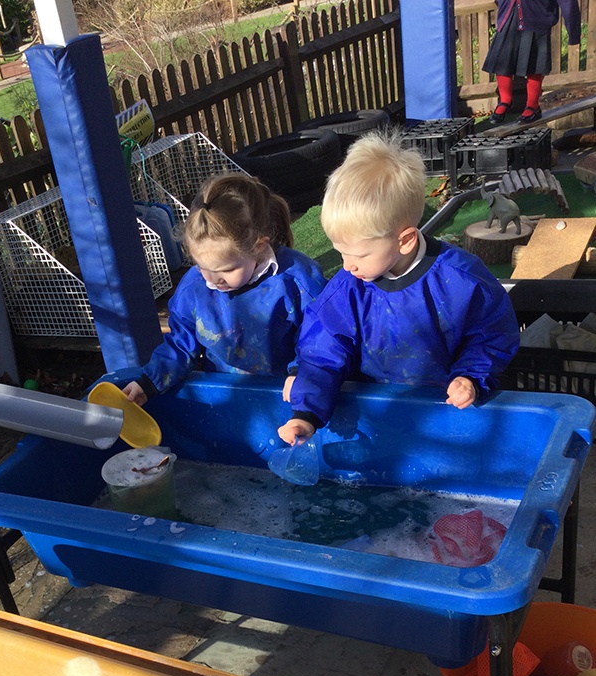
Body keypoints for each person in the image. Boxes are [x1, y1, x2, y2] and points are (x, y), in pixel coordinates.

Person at [278, 131, 520, 446]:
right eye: (341, 252)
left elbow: (491, 334)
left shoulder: (461, 280)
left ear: (404, 241)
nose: (347, 265)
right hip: (374, 413)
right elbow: (322, 351)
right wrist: (305, 414)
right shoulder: (348, 288)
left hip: (445, 413)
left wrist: (470, 376)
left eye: (359, 255)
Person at [121, 173, 326, 404]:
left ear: (258, 247)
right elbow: (181, 343)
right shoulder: (194, 288)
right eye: (202, 267)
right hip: (226, 395)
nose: (214, 279)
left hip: (287, 395)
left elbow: (320, 334)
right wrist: (149, 383)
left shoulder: (296, 281)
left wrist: (304, 372)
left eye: (227, 269)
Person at [485, 0, 581, 124]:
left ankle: (533, 106)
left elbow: (568, 3)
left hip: (537, 16)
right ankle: (505, 100)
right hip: (509, 14)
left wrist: (573, 32)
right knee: (502, 58)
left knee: (535, 63)